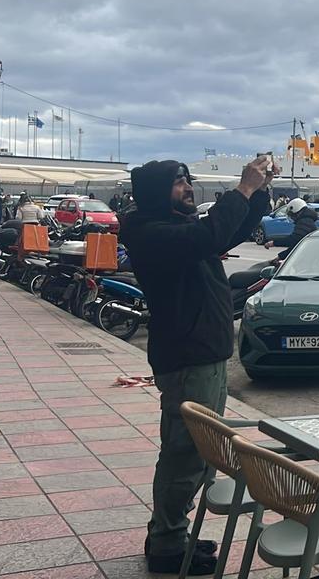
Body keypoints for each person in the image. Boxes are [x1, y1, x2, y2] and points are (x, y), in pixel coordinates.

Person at [121, 156, 272, 575]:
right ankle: (168, 544)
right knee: (185, 455)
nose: (188, 187)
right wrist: (242, 190)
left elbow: (227, 232)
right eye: (178, 182)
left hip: (203, 354)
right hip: (189, 359)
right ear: (156, 192)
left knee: (198, 455)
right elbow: (208, 234)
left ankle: (172, 534)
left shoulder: (172, 226)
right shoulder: (152, 231)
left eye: (188, 180)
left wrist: (257, 194)